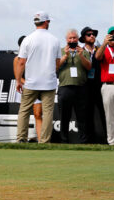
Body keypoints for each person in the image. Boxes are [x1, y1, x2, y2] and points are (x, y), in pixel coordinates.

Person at [15, 11, 60, 144]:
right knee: (47, 113)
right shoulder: (55, 40)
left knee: (24, 110)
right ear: (46, 22)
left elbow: (21, 62)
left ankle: (21, 139)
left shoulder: (27, 39)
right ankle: (45, 141)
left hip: (31, 82)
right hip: (48, 82)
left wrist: (18, 80)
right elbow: (57, 63)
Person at [57, 28, 92, 143]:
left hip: (80, 87)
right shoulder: (60, 51)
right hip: (65, 87)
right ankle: (64, 140)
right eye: (70, 38)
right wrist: (65, 56)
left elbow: (89, 67)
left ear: (78, 39)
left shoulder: (84, 51)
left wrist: (81, 56)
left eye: (74, 38)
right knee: (64, 117)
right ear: (66, 40)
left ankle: (84, 141)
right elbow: (55, 67)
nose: (72, 40)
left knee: (82, 117)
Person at [14, 35, 43, 142]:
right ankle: (22, 139)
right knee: (24, 113)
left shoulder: (37, 58)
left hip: (37, 88)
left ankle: (41, 141)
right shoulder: (17, 59)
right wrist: (29, 83)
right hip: (25, 89)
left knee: (38, 114)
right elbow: (18, 76)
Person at [80, 26, 105, 144]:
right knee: (86, 113)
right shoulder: (80, 51)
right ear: (84, 38)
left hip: (99, 84)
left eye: (93, 34)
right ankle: (87, 140)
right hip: (85, 85)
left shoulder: (100, 49)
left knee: (103, 112)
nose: (92, 36)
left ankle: (107, 139)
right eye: (89, 34)